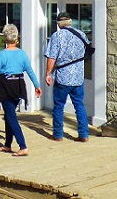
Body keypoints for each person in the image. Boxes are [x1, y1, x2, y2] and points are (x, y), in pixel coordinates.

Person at [0, 24, 42, 157]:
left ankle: (23, 146)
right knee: (8, 115)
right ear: (17, 38)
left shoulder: (2, 54)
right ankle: (7, 145)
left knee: (11, 116)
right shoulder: (22, 53)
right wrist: (37, 85)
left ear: (5, 38)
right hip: (19, 86)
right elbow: (30, 71)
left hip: (5, 86)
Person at [45, 12, 90, 142]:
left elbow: (52, 57)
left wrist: (48, 73)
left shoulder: (57, 36)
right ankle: (84, 134)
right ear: (70, 21)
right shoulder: (81, 34)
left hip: (63, 76)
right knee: (79, 105)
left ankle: (58, 135)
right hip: (78, 76)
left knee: (59, 106)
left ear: (58, 24)